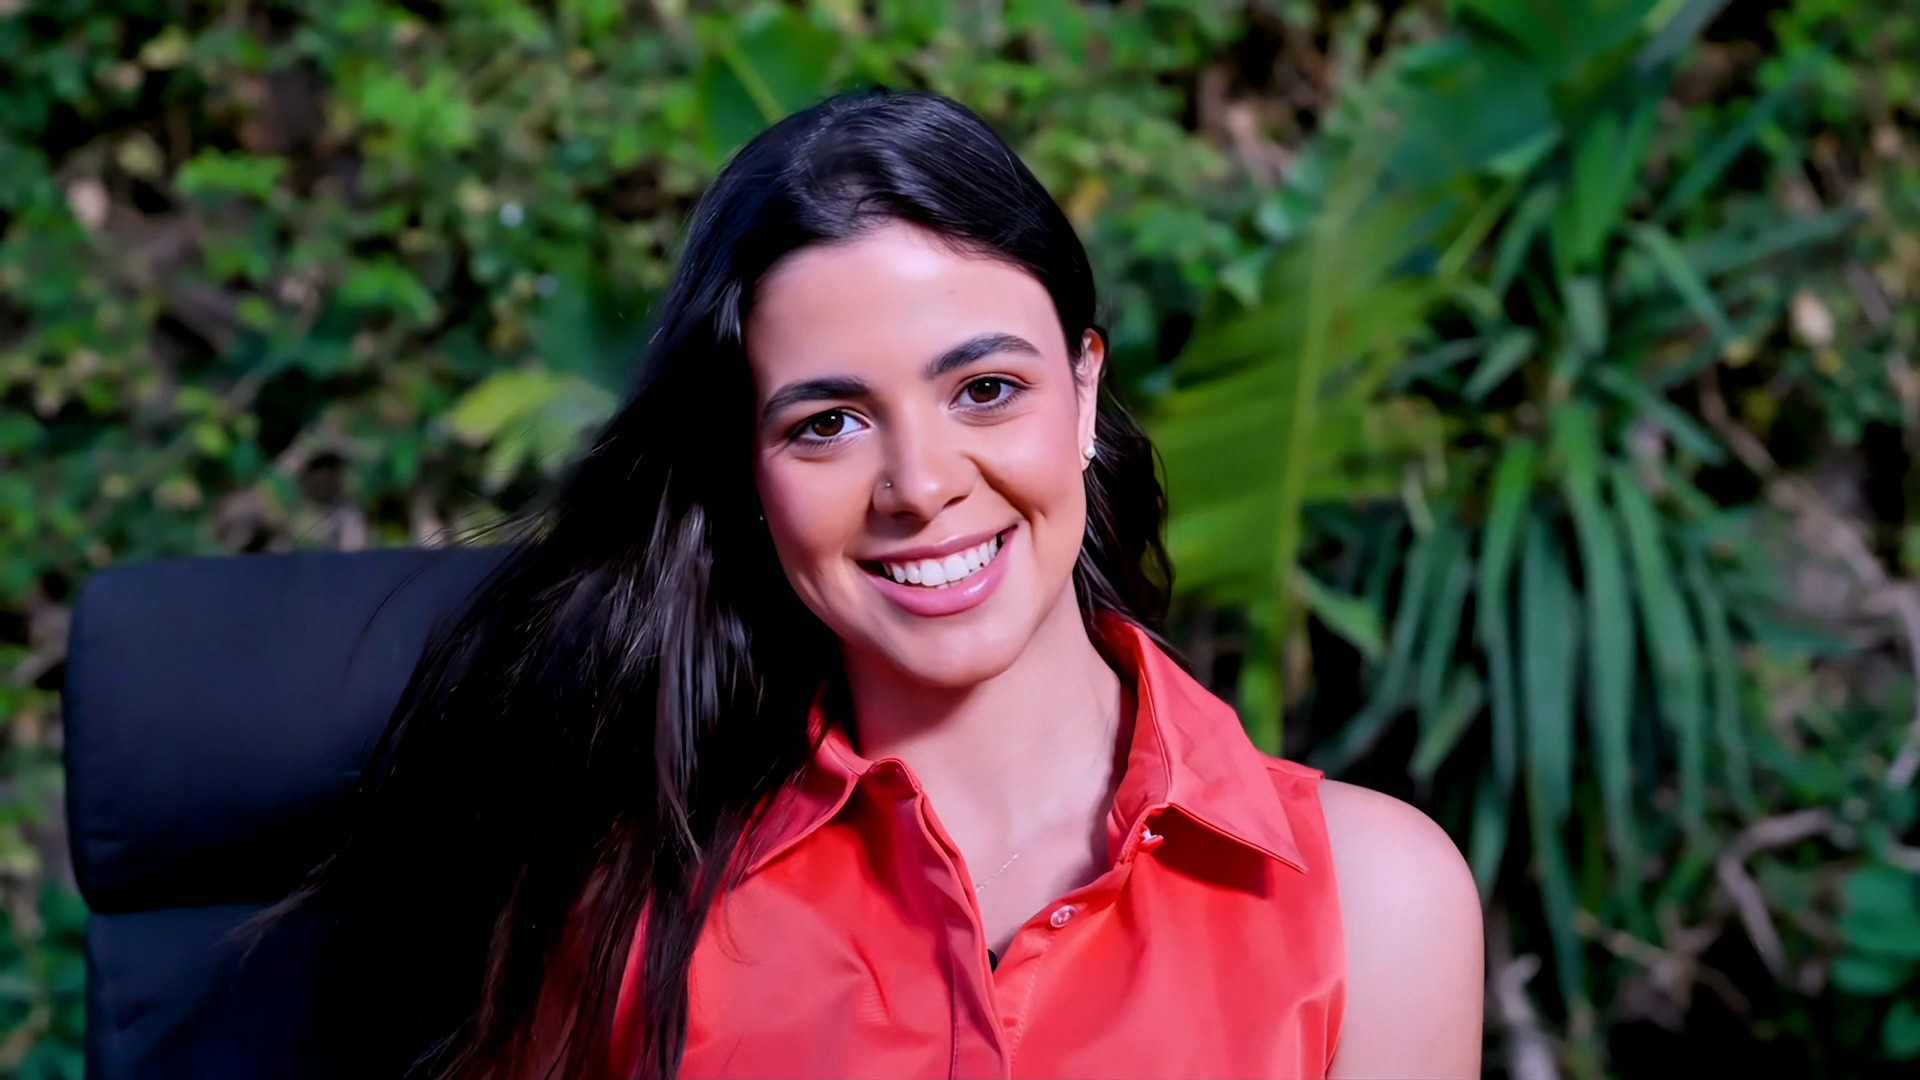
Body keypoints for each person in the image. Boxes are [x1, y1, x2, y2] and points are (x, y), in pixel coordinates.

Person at [291, 88, 1483, 1079]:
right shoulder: (628, 913)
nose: (918, 484)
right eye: (829, 423)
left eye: (986, 391)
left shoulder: (1374, 901)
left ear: (1081, 393)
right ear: (750, 476)